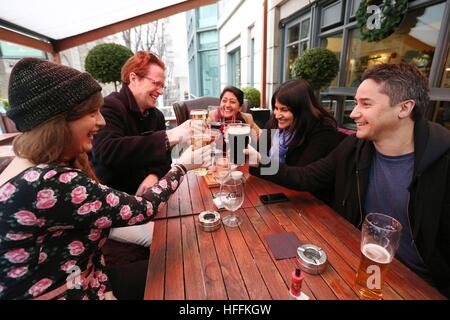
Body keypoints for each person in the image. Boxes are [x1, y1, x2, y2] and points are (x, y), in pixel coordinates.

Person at [0, 57, 211, 300]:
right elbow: (143, 206)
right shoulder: (49, 182)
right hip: (75, 287)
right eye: (91, 113)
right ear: (59, 121)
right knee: (183, 268)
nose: (101, 121)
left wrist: (105, 285)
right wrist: (182, 165)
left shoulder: (24, 164)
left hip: (86, 276)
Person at [246, 63, 450, 297]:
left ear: (404, 108)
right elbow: (309, 176)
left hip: (421, 285)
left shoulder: (443, 161)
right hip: (353, 259)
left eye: (366, 104)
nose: (353, 113)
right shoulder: (356, 145)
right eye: (355, 103)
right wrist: (259, 163)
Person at [90, 51, 192, 247]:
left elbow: (165, 160)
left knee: (187, 220)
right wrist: (168, 136)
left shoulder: (156, 116)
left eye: (162, 85)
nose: (160, 91)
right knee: (167, 239)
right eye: (156, 83)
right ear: (133, 78)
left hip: (150, 198)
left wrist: (153, 175)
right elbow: (106, 151)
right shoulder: (109, 108)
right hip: (115, 205)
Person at [249, 79, 338, 203]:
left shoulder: (322, 130)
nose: (277, 114)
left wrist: (261, 162)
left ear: (302, 110)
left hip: (310, 203)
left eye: (284, 109)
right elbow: (254, 166)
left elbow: (301, 179)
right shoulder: (274, 122)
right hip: (274, 191)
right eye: (275, 108)